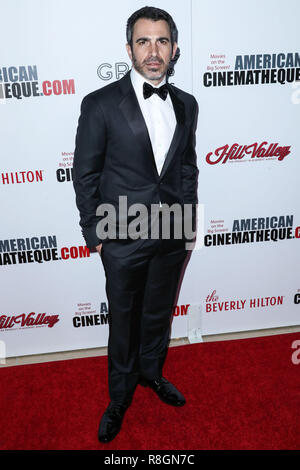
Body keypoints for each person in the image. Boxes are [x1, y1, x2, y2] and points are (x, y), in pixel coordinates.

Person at [73, 6, 199, 443]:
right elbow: (85, 174)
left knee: (158, 315)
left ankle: (153, 374)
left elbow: (186, 168)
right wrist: (96, 235)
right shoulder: (100, 104)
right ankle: (120, 397)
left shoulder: (187, 104)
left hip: (171, 233)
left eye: (161, 41)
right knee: (123, 320)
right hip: (121, 237)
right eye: (143, 41)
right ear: (129, 49)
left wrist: (188, 222)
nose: (153, 50)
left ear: (174, 48)